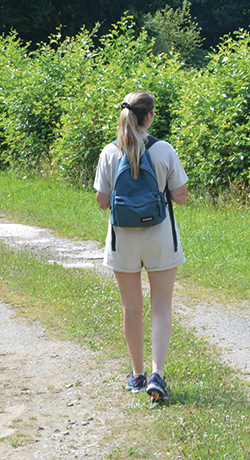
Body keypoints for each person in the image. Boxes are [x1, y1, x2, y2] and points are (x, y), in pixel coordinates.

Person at [93, 91, 188, 402]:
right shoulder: (163, 150)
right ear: (149, 116)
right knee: (161, 306)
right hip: (161, 237)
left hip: (123, 239)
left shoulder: (109, 152)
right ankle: (157, 375)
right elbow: (180, 196)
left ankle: (137, 375)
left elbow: (102, 202)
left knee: (131, 308)